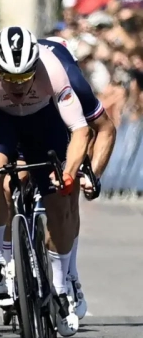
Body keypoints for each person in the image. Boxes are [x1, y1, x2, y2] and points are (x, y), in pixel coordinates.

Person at [0, 26, 91, 337]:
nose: (17, 87)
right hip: (1, 121)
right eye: (9, 79)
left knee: (59, 199)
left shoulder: (52, 69)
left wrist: (68, 173)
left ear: (34, 68)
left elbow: (81, 131)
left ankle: (59, 285)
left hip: (44, 123)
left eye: (24, 79)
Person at [37, 37, 117, 320]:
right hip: (19, 113)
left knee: (67, 191)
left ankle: (68, 275)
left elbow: (105, 129)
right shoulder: (7, 75)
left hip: (66, 123)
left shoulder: (72, 79)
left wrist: (91, 174)